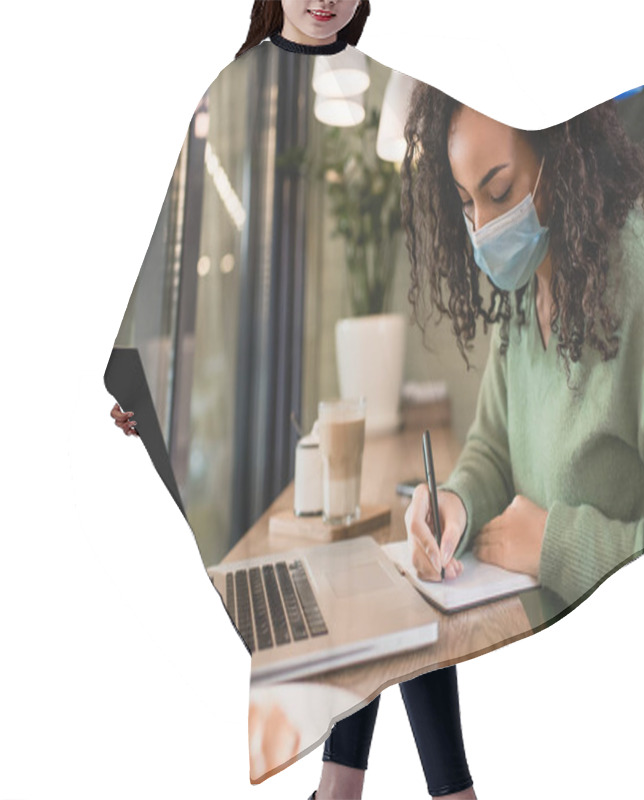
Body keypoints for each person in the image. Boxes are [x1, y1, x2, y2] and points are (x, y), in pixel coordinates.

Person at [112, 2, 476, 798]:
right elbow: (186, 245)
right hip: (274, 426)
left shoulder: (381, 88)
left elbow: (496, 148)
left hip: (342, 416)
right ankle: (410, 791)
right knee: (377, 586)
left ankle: (348, 789)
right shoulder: (236, 86)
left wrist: (642, 114)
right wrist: (145, 384)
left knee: (386, 582)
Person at [399, 81, 644, 610]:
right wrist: (455, 504)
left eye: (499, 192)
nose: (484, 229)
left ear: (560, 152)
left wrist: (559, 547)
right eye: (467, 201)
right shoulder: (525, 286)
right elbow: (494, 451)